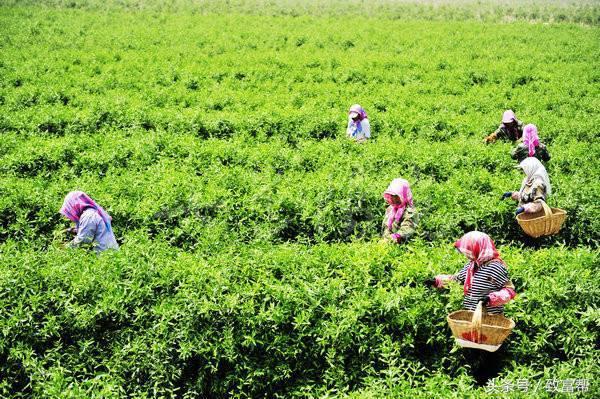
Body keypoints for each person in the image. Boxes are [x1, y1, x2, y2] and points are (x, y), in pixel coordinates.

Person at [425, 231, 516, 315]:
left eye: (469, 251)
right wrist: (437, 281)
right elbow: (458, 279)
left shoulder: (495, 267)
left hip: (489, 318)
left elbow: (509, 291)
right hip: (471, 314)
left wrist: (490, 299)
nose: (467, 255)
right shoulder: (472, 265)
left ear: (478, 249)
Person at [381, 178, 418, 243]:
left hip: (405, 246)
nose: (393, 198)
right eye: (392, 195)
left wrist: (392, 238)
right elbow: (386, 227)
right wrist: (386, 237)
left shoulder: (410, 211)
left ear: (403, 195)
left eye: (396, 196)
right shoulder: (390, 209)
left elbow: (407, 229)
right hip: (389, 244)